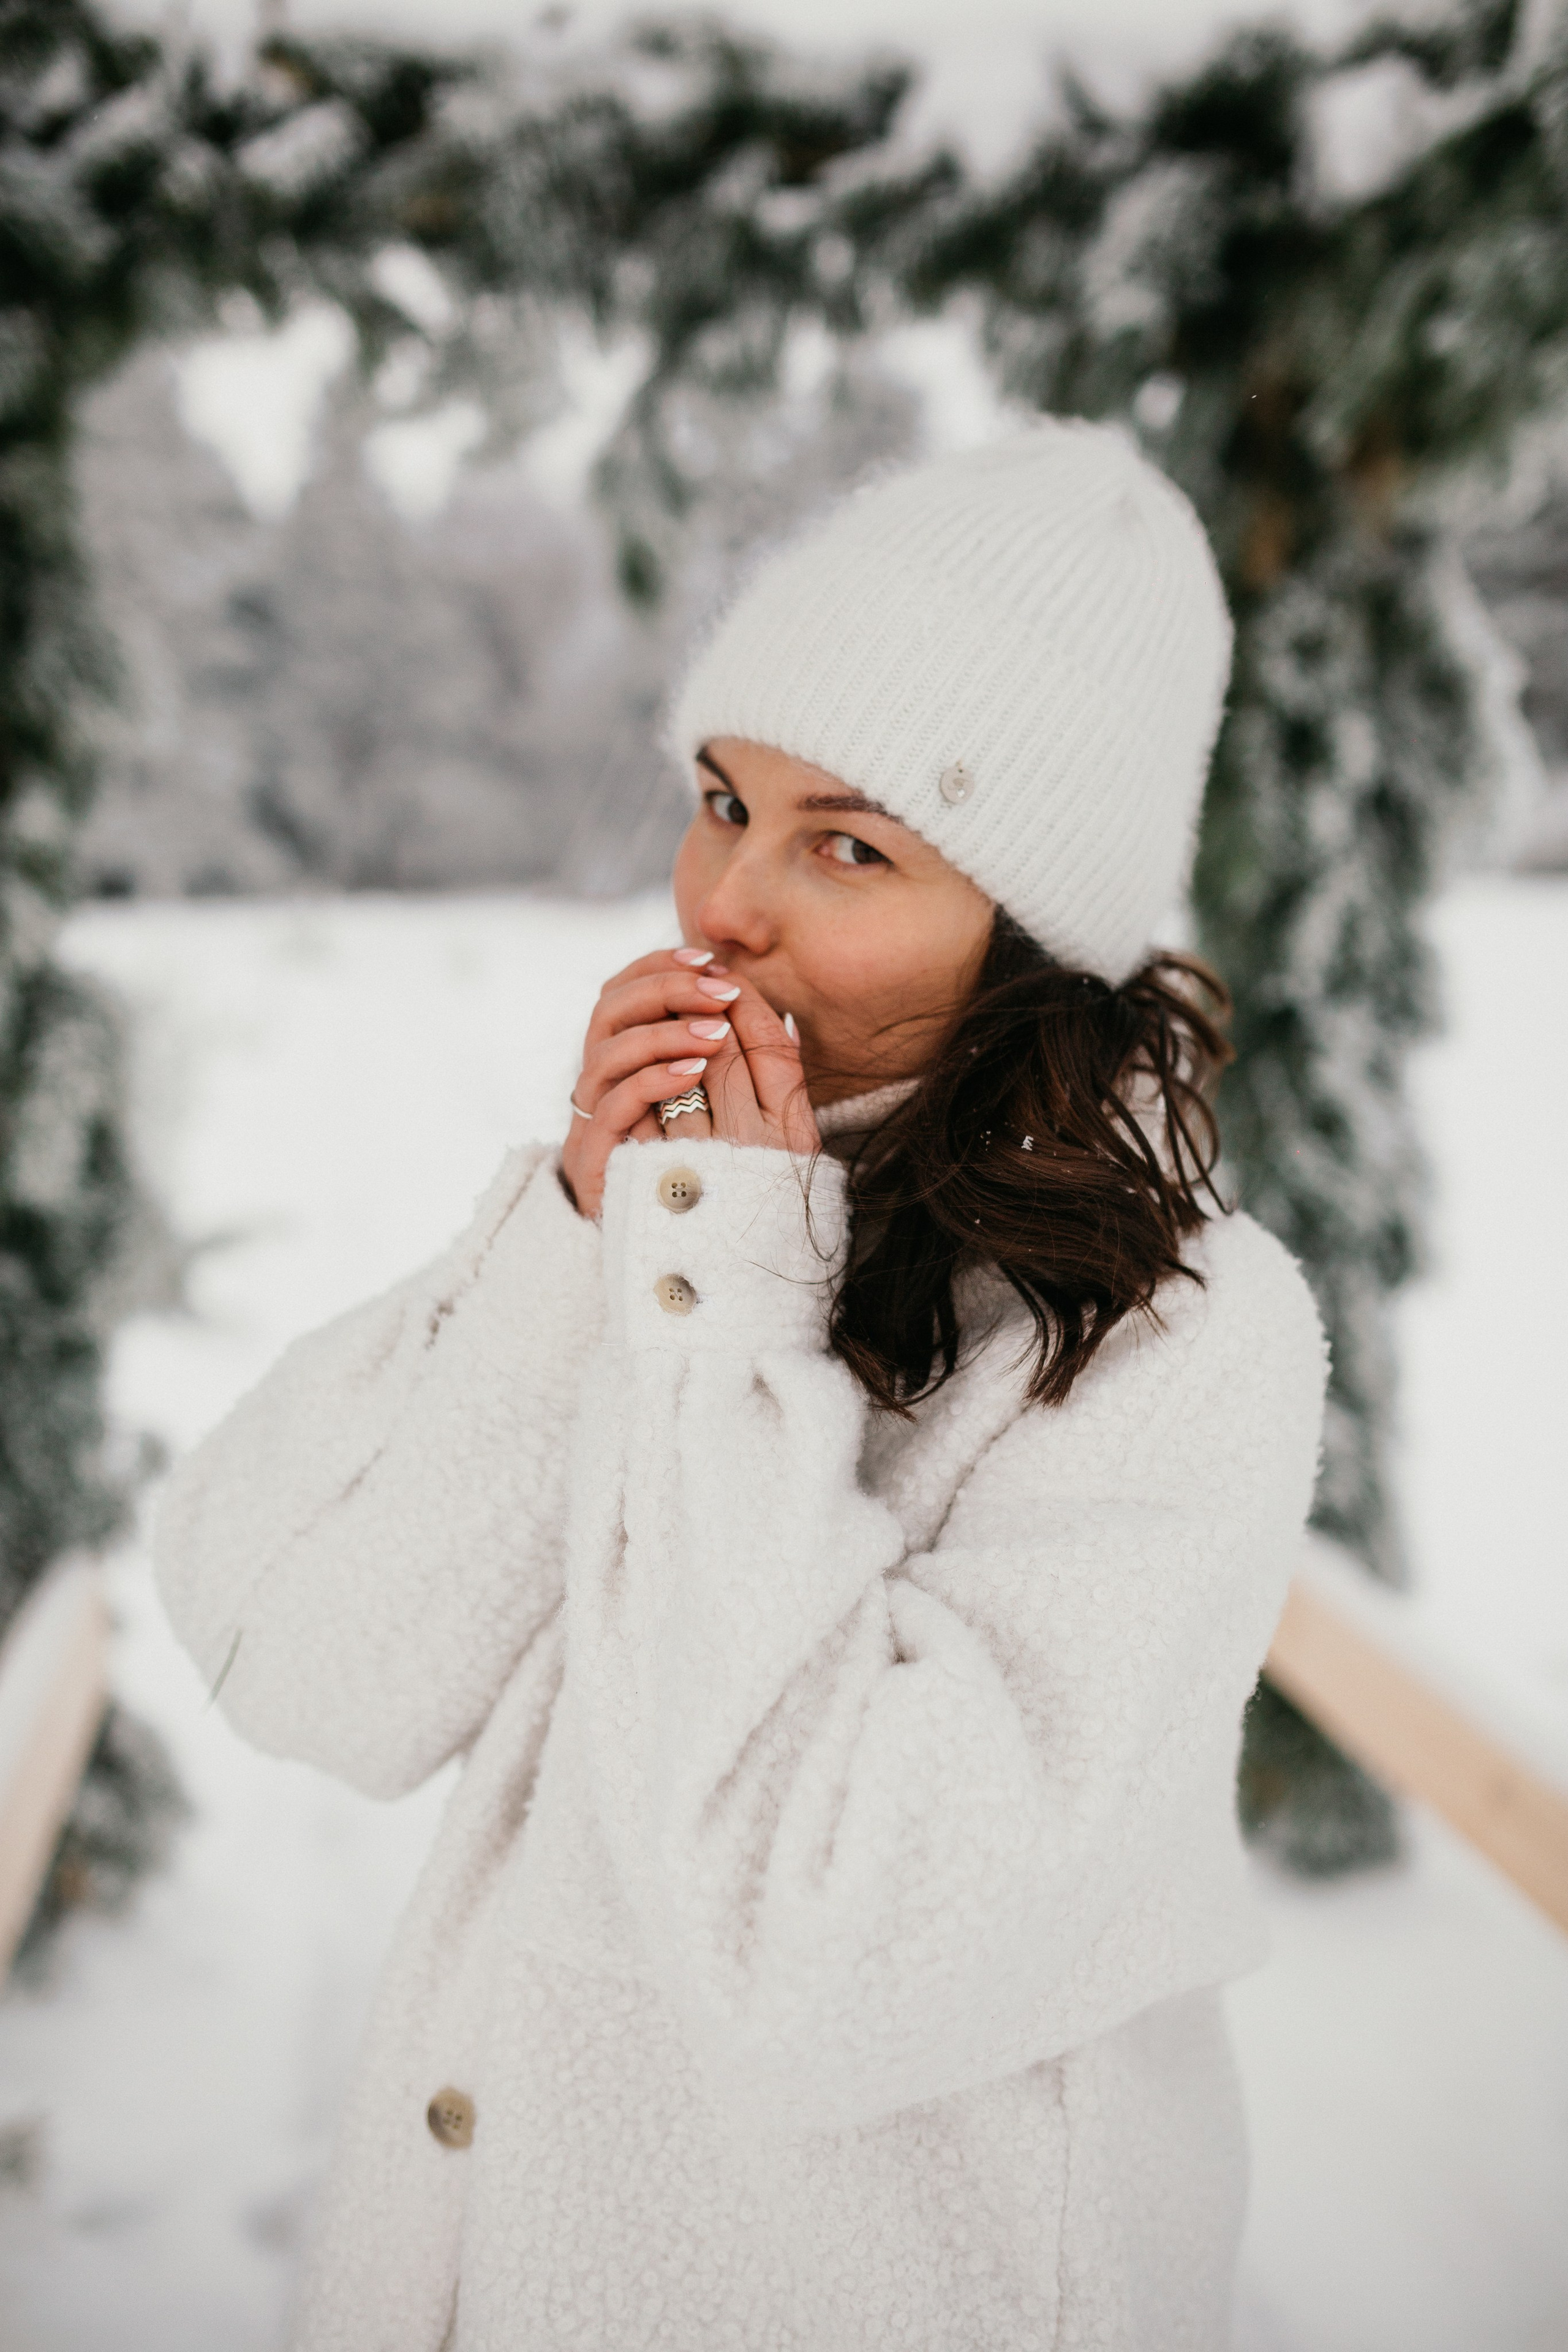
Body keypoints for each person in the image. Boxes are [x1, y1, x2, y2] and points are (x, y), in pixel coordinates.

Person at [154, 421, 1327, 2351]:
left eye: (846, 843)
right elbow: (300, 1667)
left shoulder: (1180, 1341)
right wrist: (571, 1245)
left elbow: (827, 1948)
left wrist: (716, 1320)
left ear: (1029, 931)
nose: (721, 907)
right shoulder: (678, 1222)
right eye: (722, 801)